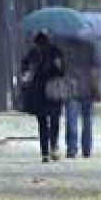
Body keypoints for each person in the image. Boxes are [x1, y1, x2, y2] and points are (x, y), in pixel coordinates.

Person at [20, 31, 66, 163]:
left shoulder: (38, 53)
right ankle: (51, 148)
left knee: (44, 122)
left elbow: (25, 70)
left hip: (42, 90)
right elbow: (62, 70)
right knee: (51, 121)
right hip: (51, 90)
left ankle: (47, 150)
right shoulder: (50, 52)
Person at [62, 38, 101, 159]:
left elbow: (60, 68)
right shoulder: (90, 47)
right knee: (87, 120)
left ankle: (72, 149)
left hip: (71, 88)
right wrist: (96, 87)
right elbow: (95, 69)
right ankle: (86, 148)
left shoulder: (65, 49)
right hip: (87, 88)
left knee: (71, 120)